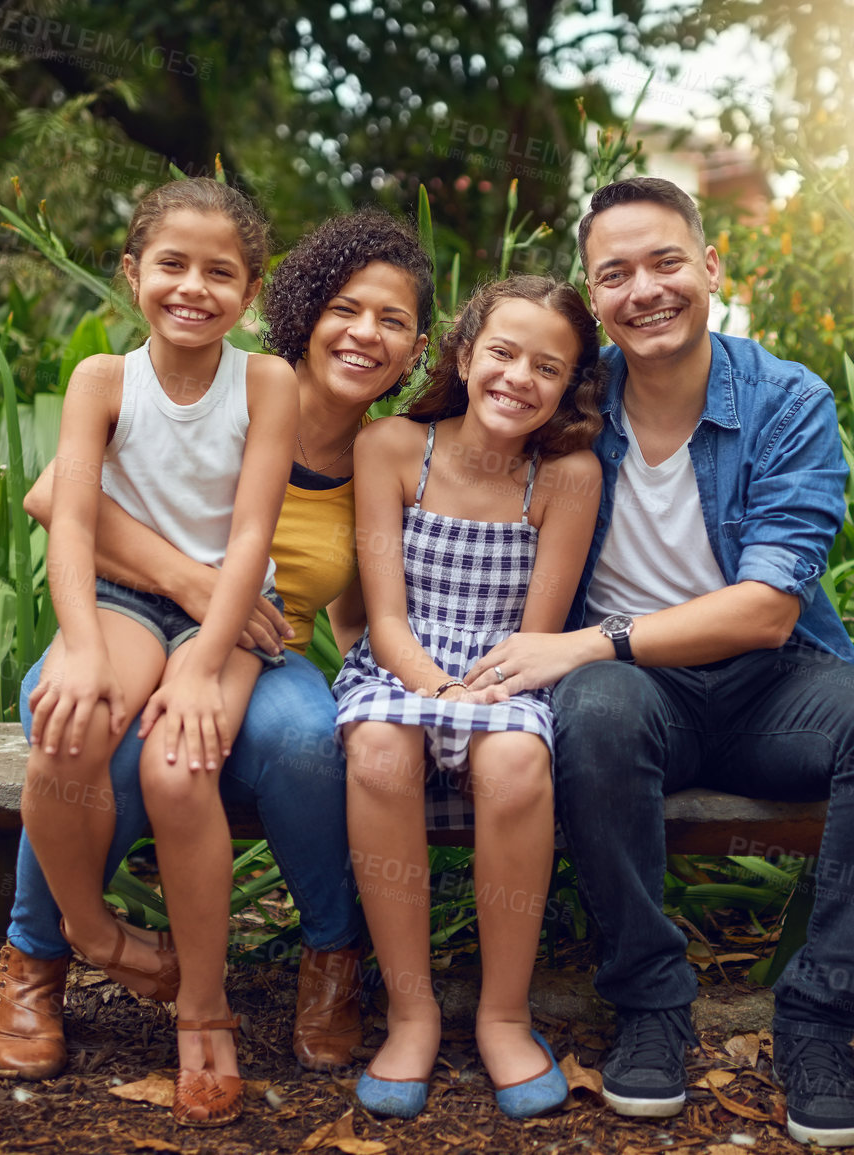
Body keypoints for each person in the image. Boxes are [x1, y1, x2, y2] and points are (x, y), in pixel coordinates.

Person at [462, 178, 854, 1148]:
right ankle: (649, 1004)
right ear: (594, 296)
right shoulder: (572, 397)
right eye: (616, 273)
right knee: (593, 709)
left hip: (772, 689)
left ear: (711, 267)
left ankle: (815, 1019)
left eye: (666, 262)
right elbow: (444, 449)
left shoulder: (784, 397)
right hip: (638, 703)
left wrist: (590, 639)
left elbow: (769, 611)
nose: (645, 289)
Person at [0, 210, 435, 1089]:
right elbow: (57, 498)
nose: (364, 336)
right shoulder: (202, 383)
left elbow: (358, 598)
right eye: (347, 310)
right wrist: (191, 586)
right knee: (85, 733)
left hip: (255, 641)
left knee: (309, 742)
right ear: (303, 313)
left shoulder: (390, 453)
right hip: (142, 615)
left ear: (418, 347)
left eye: (392, 321)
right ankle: (37, 957)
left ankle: (329, 957)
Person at [19, 176, 297, 1128]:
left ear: (250, 290)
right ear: (132, 271)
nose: (193, 287)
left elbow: (255, 533)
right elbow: (68, 521)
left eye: (221, 272)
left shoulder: (266, 381)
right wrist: (84, 644)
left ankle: (203, 1006)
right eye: (171, 264)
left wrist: (198, 660)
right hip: (120, 600)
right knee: (68, 723)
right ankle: (93, 936)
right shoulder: (102, 379)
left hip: (229, 609)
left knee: (182, 765)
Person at [335, 276, 603, 1119]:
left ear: (568, 386)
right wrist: (436, 689)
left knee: (518, 760)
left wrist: (477, 696)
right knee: (381, 749)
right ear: (463, 353)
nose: (519, 378)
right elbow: (381, 620)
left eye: (547, 367)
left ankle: (503, 1013)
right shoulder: (390, 447)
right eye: (502, 353)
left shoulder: (566, 475)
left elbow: (536, 634)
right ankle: (410, 1011)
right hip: (400, 665)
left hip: (508, 673)